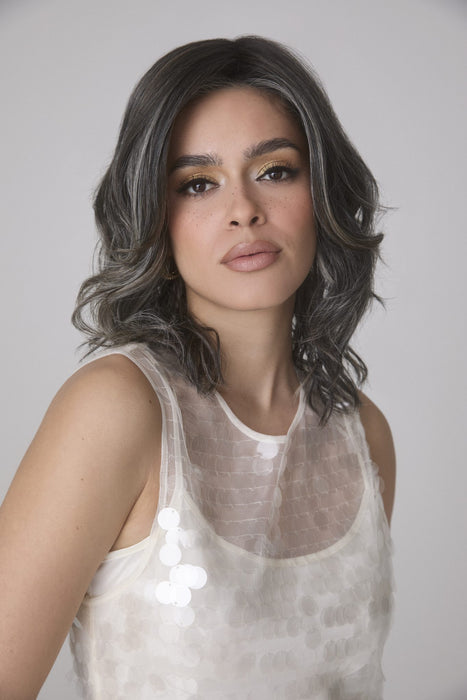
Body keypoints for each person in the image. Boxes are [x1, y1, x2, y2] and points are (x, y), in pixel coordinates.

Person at [0, 36, 395, 700]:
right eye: (198, 184)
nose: (243, 210)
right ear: (156, 218)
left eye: (275, 171)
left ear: (323, 190)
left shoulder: (364, 435)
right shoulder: (117, 409)